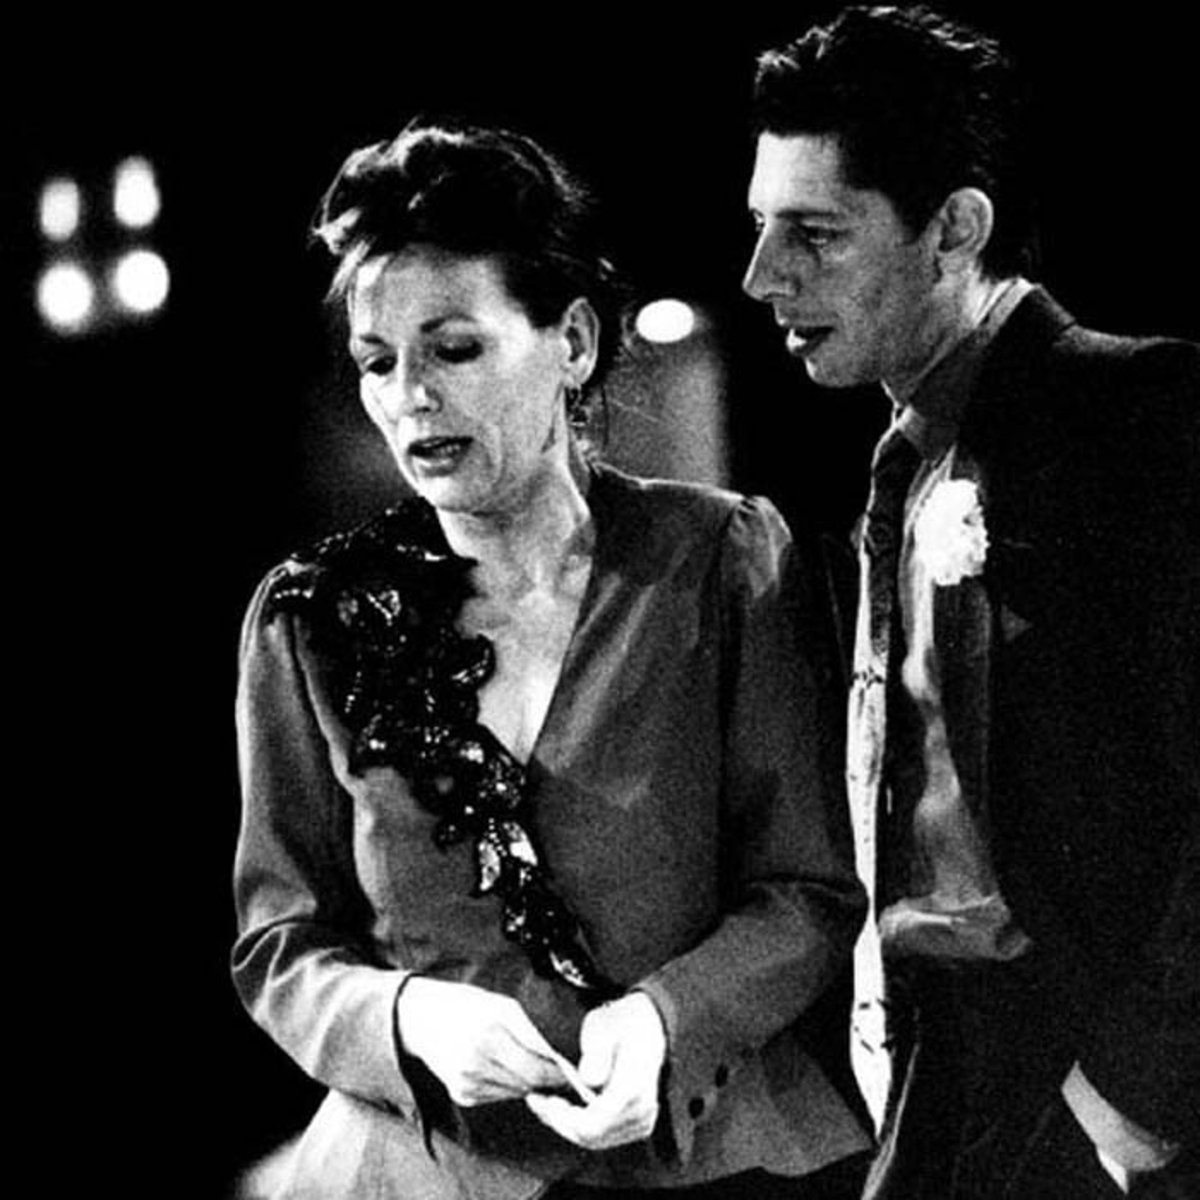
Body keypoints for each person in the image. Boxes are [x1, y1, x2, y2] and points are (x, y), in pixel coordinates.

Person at [232, 118, 871, 1199]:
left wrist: (669, 1021)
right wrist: (406, 1017)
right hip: (420, 1171)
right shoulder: (312, 620)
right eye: (378, 362)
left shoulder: (721, 561)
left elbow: (805, 890)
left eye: (454, 349)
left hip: (710, 1155)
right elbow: (281, 941)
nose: (410, 396)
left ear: (572, 341)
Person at [741, 6, 1198, 1199]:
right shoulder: (893, 460)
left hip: (1077, 1077)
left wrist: (1136, 1095)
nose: (762, 276)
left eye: (814, 233)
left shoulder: (1137, 415)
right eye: (760, 227)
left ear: (955, 229)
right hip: (931, 1063)